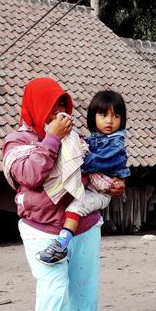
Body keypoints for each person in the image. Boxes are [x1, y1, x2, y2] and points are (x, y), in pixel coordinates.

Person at [2, 78, 126, 311]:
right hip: (41, 230)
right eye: (53, 105)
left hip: (84, 226)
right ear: (37, 106)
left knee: (85, 296)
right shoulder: (17, 143)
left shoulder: (78, 138)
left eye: (63, 106)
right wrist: (51, 140)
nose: (59, 112)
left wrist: (113, 186)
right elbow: (31, 175)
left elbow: (89, 174)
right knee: (54, 294)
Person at [36, 90, 130, 265]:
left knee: (75, 208)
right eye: (103, 115)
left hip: (101, 192)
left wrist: (77, 155)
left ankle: (60, 246)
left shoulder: (115, 144)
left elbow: (96, 163)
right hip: (94, 187)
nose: (109, 121)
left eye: (116, 116)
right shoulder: (95, 138)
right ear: (93, 116)